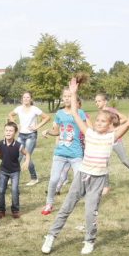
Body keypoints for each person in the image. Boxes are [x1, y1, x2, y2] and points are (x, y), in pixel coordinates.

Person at [41, 80, 129, 255]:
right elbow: (74, 113)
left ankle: (89, 240)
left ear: (110, 125)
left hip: (98, 179)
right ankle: (51, 236)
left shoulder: (111, 137)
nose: (99, 123)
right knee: (66, 207)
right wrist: (73, 93)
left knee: (90, 212)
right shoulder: (88, 132)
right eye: (98, 120)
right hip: (82, 175)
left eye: (104, 121)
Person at [41, 87, 87, 215]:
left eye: (69, 96)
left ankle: (87, 201)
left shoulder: (80, 113)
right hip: (60, 153)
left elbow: (85, 130)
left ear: (74, 98)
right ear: (62, 99)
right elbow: (56, 131)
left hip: (76, 154)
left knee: (80, 179)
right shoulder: (59, 113)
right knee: (54, 179)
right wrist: (48, 131)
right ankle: (49, 204)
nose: (67, 98)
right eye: (65, 96)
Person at [90, 93, 129, 189]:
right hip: (104, 141)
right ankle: (105, 186)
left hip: (115, 139)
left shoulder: (110, 110)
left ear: (105, 101)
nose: (97, 103)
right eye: (95, 101)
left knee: (124, 160)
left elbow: (124, 118)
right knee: (104, 162)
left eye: (99, 101)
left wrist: (114, 128)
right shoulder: (100, 112)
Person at [8, 91, 50, 187]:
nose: (26, 99)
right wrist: (15, 124)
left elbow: (47, 117)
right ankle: (12, 177)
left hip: (31, 135)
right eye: (24, 97)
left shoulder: (34, 109)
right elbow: (10, 114)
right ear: (21, 99)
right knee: (17, 156)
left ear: (31, 99)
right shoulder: (18, 108)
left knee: (27, 155)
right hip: (21, 135)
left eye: (28, 97)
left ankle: (34, 178)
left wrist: (37, 126)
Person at [0, 121, 28, 218]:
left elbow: (27, 153)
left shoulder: (19, 145)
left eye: (11, 131)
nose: (8, 132)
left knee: (15, 190)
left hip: (15, 171)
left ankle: (15, 210)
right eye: (6, 130)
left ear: (15, 132)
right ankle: (1, 210)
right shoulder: (1, 143)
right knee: (1, 190)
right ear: (4, 132)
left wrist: (26, 161)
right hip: (3, 171)